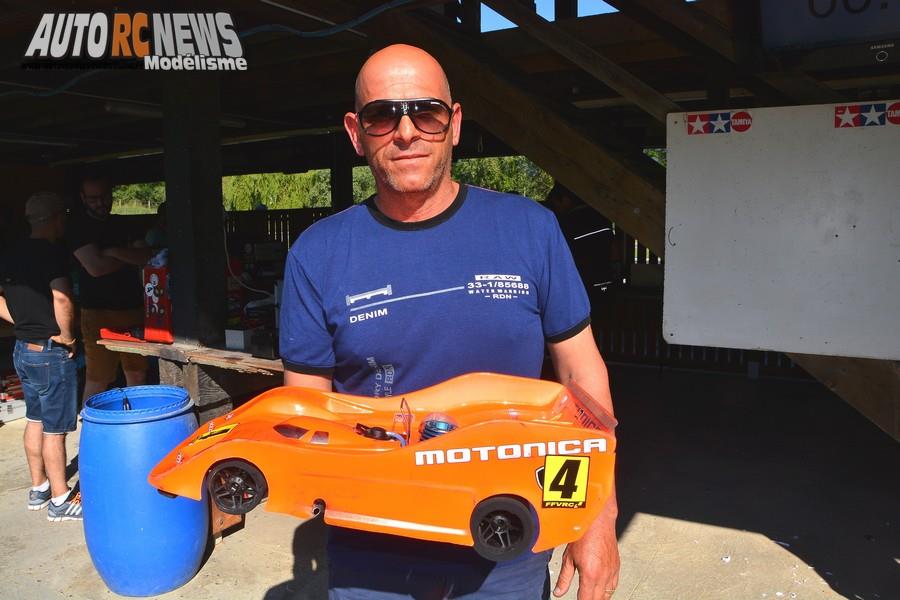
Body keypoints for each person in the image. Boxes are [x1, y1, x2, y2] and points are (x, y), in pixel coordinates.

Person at [279, 45, 620, 599]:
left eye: (427, 112)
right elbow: (305, 412)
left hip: (507, 537)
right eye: (382, 115)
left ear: (454, 123)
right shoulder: (317, 255)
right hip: (372, 550)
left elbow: (583, 380)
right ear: (355, 131)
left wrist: (597, 516)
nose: (407, 131)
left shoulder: (530, 230)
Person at [0, 192, 82, 521]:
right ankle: (61, 499)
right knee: (55, 430)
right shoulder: (52, 254)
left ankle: (39, 487)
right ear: (54, 219)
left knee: (35, 418)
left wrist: (21, 320)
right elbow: (62, 300)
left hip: (22, 350)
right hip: (50, 352)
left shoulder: (11, 253)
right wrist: (67, 336)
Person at [66, 174, 151, 400]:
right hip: (97, 312)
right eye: (93, 198)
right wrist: (126, 253)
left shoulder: (124, 223)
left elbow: (146, 255)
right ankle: (91, 430)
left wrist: (112, 251)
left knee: (137, 373)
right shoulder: (78, 227)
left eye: (104, 196)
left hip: (134, 308)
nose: (100, 202)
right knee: (99, 378)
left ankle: (136, 426)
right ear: (83, 198)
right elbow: (96, 268)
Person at [544, 182, 620, 308]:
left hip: (582, 286)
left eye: (556, 204)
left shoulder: (566, 223)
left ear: (565, 199)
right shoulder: (601, 217)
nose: (555, 209)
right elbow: (614, 246)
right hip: (605, 282)